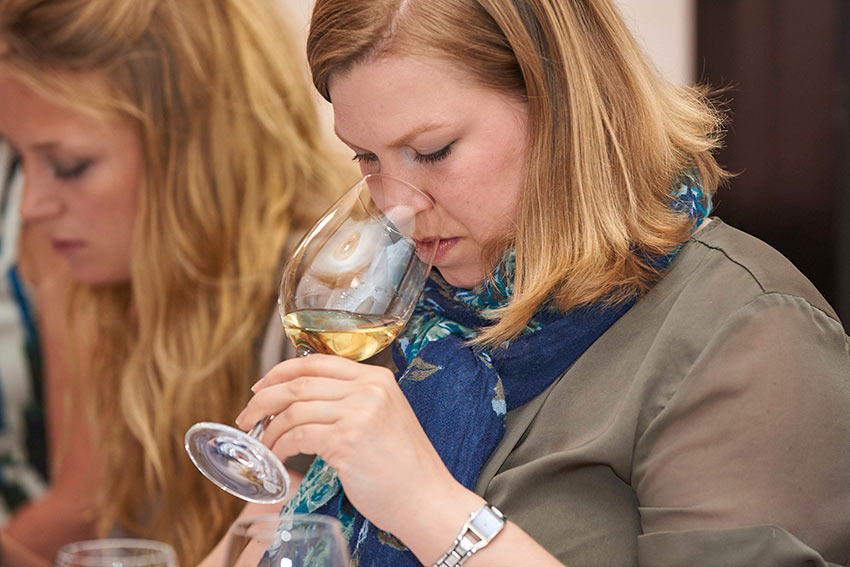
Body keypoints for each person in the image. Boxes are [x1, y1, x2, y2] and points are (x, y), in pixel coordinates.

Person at [231, 0, 850, 566]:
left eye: (434, 150)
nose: (396, 206)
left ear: (561, 105)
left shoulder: (749, 331)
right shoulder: (404, 314)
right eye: (366, 158)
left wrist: (426, 505)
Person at [0, 0, 347, 564]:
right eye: (19, 162)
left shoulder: (323, 301)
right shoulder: (99, 283)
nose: (31, 205)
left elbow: (283, 541)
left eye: (69, 165)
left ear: (192, 149)